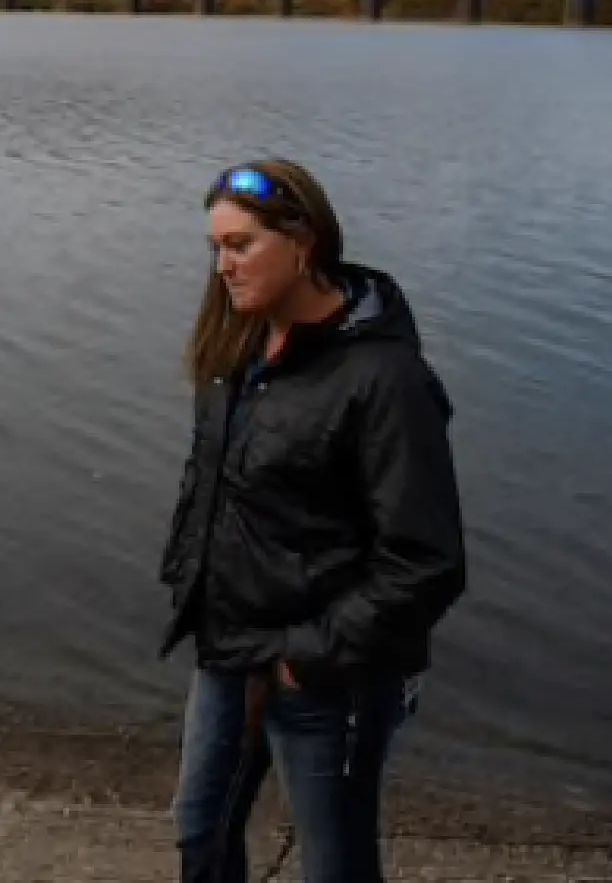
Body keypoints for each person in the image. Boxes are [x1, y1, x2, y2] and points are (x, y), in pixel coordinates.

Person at [159, 159, 466, 883]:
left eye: (240, 245)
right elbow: (207, 477)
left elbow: (425, 560)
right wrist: (191, 577)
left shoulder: (386, 379)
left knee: (334, 866)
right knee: (199, 829)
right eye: (215, 248)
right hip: (229, 644)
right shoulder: (236, 346)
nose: (222, 266)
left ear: (302, 243)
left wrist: (308, 654)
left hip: (331, 673)